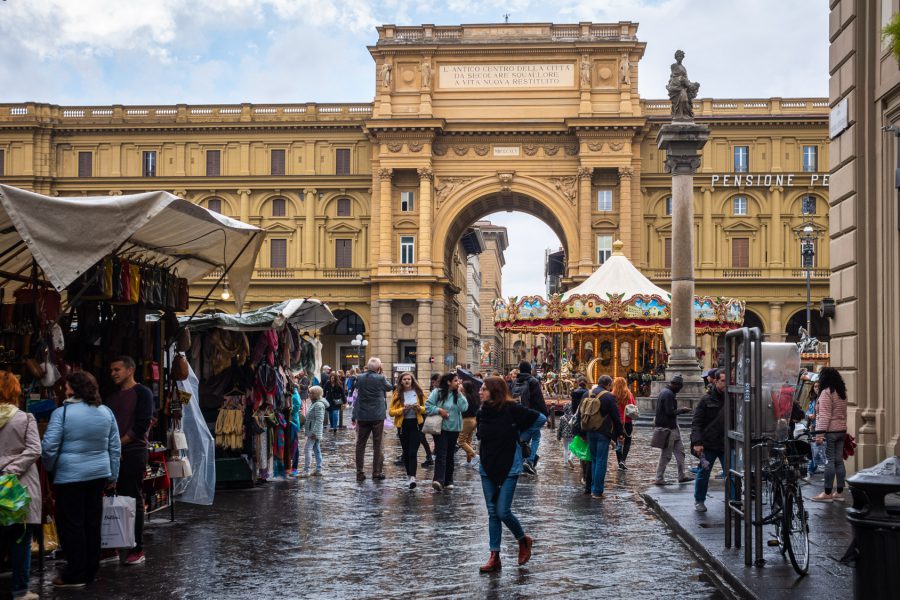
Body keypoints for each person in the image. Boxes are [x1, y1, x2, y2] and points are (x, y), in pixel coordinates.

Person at [42, 371, 120, 588]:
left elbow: (49, 447)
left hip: (69, 476)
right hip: (98, 474)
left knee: (73, 524)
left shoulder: (62, 413)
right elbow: (114, 447)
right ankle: (90, 570)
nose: (64, 389)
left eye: (66, 386)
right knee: (92, 523)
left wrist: (51, 469)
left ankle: (75, 573)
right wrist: (113, 475)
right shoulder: (106, 412)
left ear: (73, 388)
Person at [475, 376, 546, 573]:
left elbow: (541, 419)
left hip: (509, 465)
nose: (480, 391)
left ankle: (523, 540)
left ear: (494, 390)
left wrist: (520, 437)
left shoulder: (512, 408)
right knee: (492, 512)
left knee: (502, 511)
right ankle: (494, 556)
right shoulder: (482, 411)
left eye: (483, 388)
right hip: (487, 465)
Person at [104, 356, 153, 565]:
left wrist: (118, 445)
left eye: (117, 369)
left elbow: (141, 425)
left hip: (133, 451)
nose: (114, 373)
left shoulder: (143, 393)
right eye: (112, 370)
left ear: (130, 370)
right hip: (114, 453)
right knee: (112, 498)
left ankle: (137, 548)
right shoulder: (111, 397)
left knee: (132, 497)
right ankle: (112, 544)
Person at [0, 371, 41, 599]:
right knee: (21, 536)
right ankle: (20, 590)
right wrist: (11, 469)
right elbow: (35, 450)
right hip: (19, 486)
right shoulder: (25, 418)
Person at [351, 358, 394, 483]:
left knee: (360, 444)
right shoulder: (380, 378)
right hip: (377, 416)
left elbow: (357, 387)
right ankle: (376, 473)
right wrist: (382, 375)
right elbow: (389, 387)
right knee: (377, 445)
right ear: (378, 368)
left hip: (363, 415)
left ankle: (359, 473)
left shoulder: (360, 377)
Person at [425, 372, 468, 491]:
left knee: (450, 455)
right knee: (441, 454)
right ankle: (438, 480)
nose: (458, 382)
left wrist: (459, 394)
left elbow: (464, 408)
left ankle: (449, 480)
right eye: (455, 380)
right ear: (449, 382)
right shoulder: (437, 392)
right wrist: (439, 410)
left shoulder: (457, 395)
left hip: (454, 429)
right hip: (440, 428)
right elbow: (427, 406)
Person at [583, 376, 624, 499]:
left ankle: (592, 488)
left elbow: (580, 413)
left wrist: (581, 433)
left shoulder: (587, 394)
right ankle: (597, 491)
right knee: (601, 461)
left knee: (594, 459)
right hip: (603, 432)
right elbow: (616, 417)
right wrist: (620, 434)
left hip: (589, 430)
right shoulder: (609, 397)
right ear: (609, 384)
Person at [690, 369, 726, 512]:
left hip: (726, 443)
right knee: (703, 474)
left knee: (732, 473)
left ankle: (734, 500)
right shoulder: (705, 400)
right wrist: (697, 443)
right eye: (723, 381)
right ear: (716, 381)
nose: (726, 384)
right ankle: (699, 500)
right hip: (709, 444)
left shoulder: (734, 398)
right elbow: (696, 422)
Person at [812, 368, 848, 502]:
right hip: (841, 431)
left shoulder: (826, 393)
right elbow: (844, 414)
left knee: (830, 461)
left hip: (830, 432)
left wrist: (819, 435)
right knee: (839, 461)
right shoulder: (841, 393)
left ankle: (827, 493)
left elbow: (825, 415)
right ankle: (839, 492)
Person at [653, 374, 693, 486]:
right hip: (668, 428)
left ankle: (682, 476)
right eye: (680, 387)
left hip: (673, 426)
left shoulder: (667, 392)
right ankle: (659, 478)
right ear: (676, 385)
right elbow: (669, 412)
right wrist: (682, 410)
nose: (680, 390)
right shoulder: (668, 394)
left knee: (680, 452)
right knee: (666, 455)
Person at [388, 373, 426, 489]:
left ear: (412, 380)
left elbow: (427, 408)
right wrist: (402, 410)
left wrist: (419, 408)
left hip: (416, 425)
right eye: (404, 379)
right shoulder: (397, 394)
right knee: (406, 451)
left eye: (408, 379)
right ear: (401, 381)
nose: (406, 381)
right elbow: (391, 412)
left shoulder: (419, 393)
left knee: (412, 452)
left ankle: (413, 478)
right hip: (403, 426)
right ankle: (409, 476)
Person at [510, 361, 548, 475]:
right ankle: (529, 460)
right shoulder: (533, 381)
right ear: (529, 369)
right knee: (528, 438)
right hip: (532, 415)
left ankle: (525, 461)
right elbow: (539, 400)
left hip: (520, 414)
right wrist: (545, 414)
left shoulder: (516, 381)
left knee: (536, 435)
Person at [611, 376, 637, 471]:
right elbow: (634, 406)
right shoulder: (628, 394)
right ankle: (623, 460)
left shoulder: (612, 395)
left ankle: (619, 462)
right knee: (627, 441)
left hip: (616, 422)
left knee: (618, 441)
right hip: (627, 422)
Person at [301, 386, 328, 477]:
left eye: (311, 393)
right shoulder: (315, 403)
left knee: (307, 449)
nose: (309, 394)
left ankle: (307, 470)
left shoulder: (318, 405)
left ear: (315, 394)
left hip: (313, 432)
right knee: (316, 450)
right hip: (312, 430)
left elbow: (319, 420)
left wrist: (314, 432)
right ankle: (318, 469)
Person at [459, 379, 481, 467]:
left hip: (467, 420)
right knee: (468, 440)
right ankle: (469, 461)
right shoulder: (475, 396)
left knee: (461, 441)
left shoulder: (464, 397)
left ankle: (475, 455)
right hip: (474, 420)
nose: (460, 386)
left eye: (462, 385)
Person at [556, 402, 575, 469]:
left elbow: (559, 428)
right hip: (572, 435)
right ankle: (570, 458)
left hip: (564, 435)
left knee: (565, 449)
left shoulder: (562, 418)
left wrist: (558, 436)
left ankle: (565, 463)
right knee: (573, 449)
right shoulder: (574, 417)